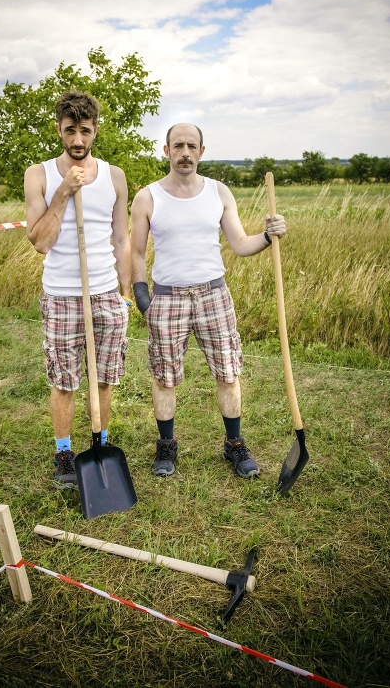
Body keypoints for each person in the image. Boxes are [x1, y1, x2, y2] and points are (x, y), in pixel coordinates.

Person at [131, 123, 286, 479]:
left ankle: (234, 445)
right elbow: (136, 253)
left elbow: (240, 244)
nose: (185, 152)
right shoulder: (148, 197)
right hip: (167, 298)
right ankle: (166, 447)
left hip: (214, 294)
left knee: (228, 372)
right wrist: (144, 300)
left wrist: (267, 235)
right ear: (166, 150)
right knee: (165, 378)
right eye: (178, 146)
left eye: (191, 146)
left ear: (202, 151)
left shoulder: (219, 192)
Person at [24, 90, 132, 489]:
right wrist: (65, 191)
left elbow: (122, 239)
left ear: (95, 130)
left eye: (84, 131)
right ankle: (65, 453)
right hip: (62, 295)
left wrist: (123, 293)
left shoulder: (114, 175)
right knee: (64, 381)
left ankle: (100, 444)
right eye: (70, 131)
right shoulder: (39, 175)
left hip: (105, 295)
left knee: (105, 378)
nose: (77, 141)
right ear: (59, 129)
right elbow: (40, 241)